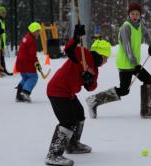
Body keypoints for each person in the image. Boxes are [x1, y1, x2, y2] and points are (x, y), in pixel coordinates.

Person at [45, 24, 111, 165]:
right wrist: (76, 37)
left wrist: (88, 79)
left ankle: (72, 144)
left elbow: (91, 87)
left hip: (68, 92)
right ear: (101, 54)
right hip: (58, 90)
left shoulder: (94, 68)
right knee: (68, 121)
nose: (107, 61)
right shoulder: (83, 53)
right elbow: (68, 49)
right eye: (106, 57)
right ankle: (53, 154)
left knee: (79, 114)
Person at [85, 2, 151, 119]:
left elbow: (146, 34)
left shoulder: (140, 25)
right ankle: (94, 100)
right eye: (133, 14)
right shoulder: (125, 27)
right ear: (129, 14)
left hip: (134, 64)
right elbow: (127, 48)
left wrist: (150, 45)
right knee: (124, 90)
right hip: (125, 64)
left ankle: (147, 111)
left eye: (137, 14)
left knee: (148, 79)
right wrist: (134, 64)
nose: (135, 16)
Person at [15, 22, 42, 102]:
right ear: (33, 31)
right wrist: (37, 64)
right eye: (38, 31)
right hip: (27, 63)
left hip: (20, 63)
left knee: (25, 78)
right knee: (33, 77)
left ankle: (19, 95)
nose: (39, 33)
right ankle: (26, 92)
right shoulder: (32, 41)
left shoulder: (26, 37)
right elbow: (32, 55)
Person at [0, 6, 13, 76]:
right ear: (0, 13)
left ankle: (2, 69)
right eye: (4, 13)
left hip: (1, 41)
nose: (5, 14)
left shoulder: (2, 20)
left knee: (1, 56)